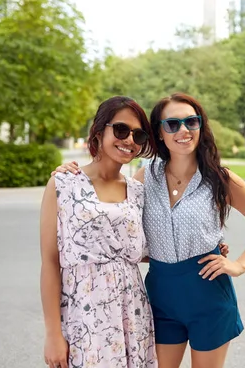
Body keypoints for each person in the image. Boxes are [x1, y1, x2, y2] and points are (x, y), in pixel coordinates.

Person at [55, 92, 245, 368]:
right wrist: (72, 174)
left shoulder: (220, 178)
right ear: (159, 133)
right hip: (161, 296)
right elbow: (116, 217)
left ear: (200, 127)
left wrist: (240, 264)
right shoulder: (145, 177)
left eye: (191, 122)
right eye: (172, 124)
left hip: (208, 294)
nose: (183, 131)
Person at [40, 96, 158, 368]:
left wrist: (209, 249)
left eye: (138, 134)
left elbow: (142, 251)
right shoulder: (63, 184)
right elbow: (50, 262)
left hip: (133, 313)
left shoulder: (138, 190)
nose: (129, 139)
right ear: (99, 131)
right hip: (83, 314)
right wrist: (53, 334)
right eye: (120, 129)